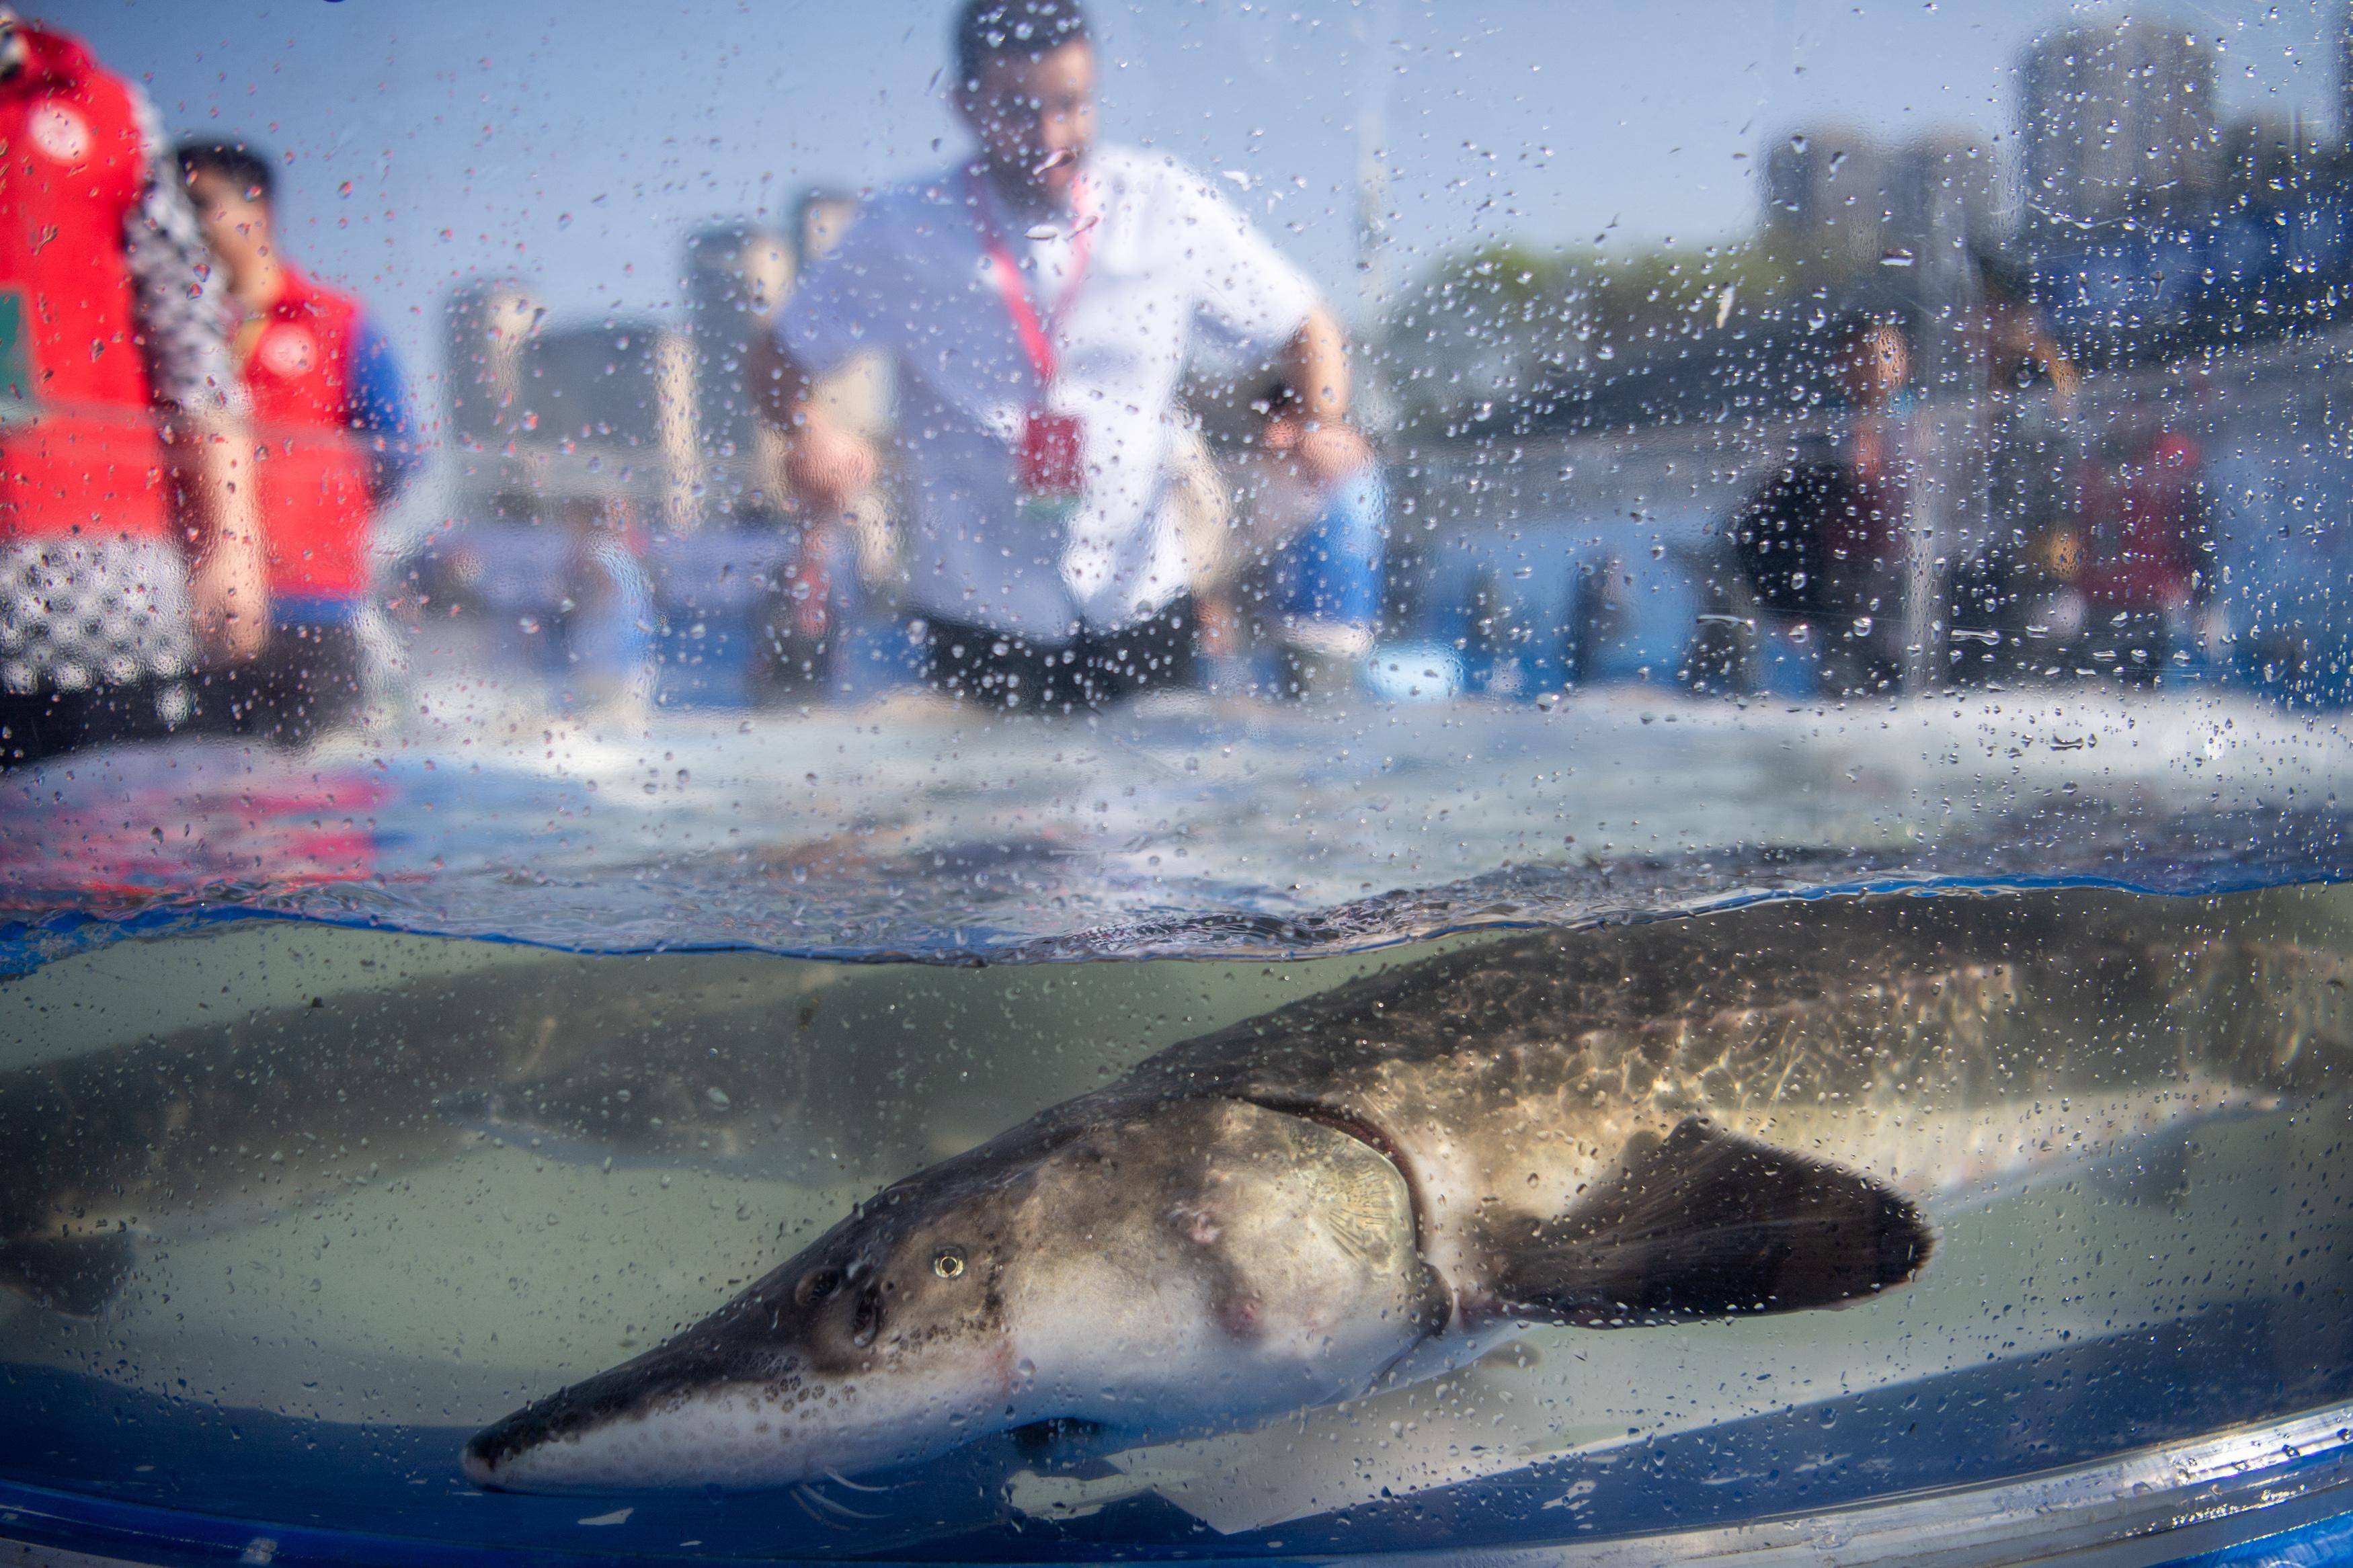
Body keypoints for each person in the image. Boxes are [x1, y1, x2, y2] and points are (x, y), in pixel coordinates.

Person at [754, 0, 1373, 712]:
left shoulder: (1162, 204)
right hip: (977, 612)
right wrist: (809, 433)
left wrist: (1321, 419)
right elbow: (778, 355)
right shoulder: (905, 227)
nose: (1050, 134)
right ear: (965, 105)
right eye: (1018, 110)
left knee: (1164, 807)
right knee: (984, 815)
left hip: (1142, 603)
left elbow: (1308, 324)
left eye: (1070, 105)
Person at [0, 9, 266, 766]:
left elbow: (184, 329)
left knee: (120, 857)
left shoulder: (103, 106)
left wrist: (231, 537)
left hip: (99, 579)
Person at [177, 138, 420, 745]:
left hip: (316, 605)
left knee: (322, 802)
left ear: (255, 209)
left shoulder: (335, 319)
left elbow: (399, 451)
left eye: (200, 202)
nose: (181, 223)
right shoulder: (179, 333)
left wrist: (326, 521)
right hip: (201, 606)